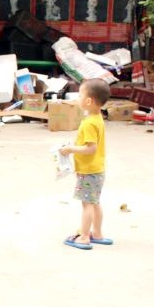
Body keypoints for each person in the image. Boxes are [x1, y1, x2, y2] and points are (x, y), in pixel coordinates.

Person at [59, 78, 112, 250]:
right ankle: (97, 233)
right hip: (97, 169)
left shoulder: (89, 123)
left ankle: (84, 236)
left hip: (89, 171)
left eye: (80, 94)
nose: (78, 97)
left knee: (87, 204)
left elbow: (90, 148)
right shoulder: (97, 118)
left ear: (88, 101)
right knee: (95, 202)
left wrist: (70, 149)